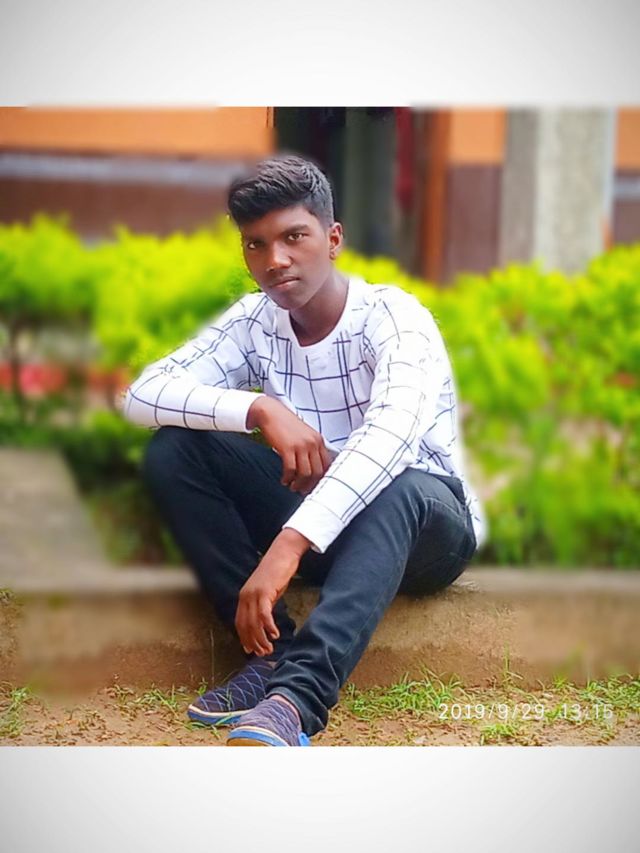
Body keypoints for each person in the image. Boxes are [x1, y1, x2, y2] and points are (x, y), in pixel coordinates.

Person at [122, 154, 486, 747]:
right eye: (256, 245)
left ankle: (297, 698)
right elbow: (142, 394)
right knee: (176, 449)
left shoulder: (395, 318)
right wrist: (259, 410)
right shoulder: (255, 321)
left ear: (333, 239)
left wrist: (287, 545)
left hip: (423, 534)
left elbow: (391, 437)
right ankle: (269, 657)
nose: (275, 260)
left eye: (294, 237)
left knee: (402, 486)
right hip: (321, 531)